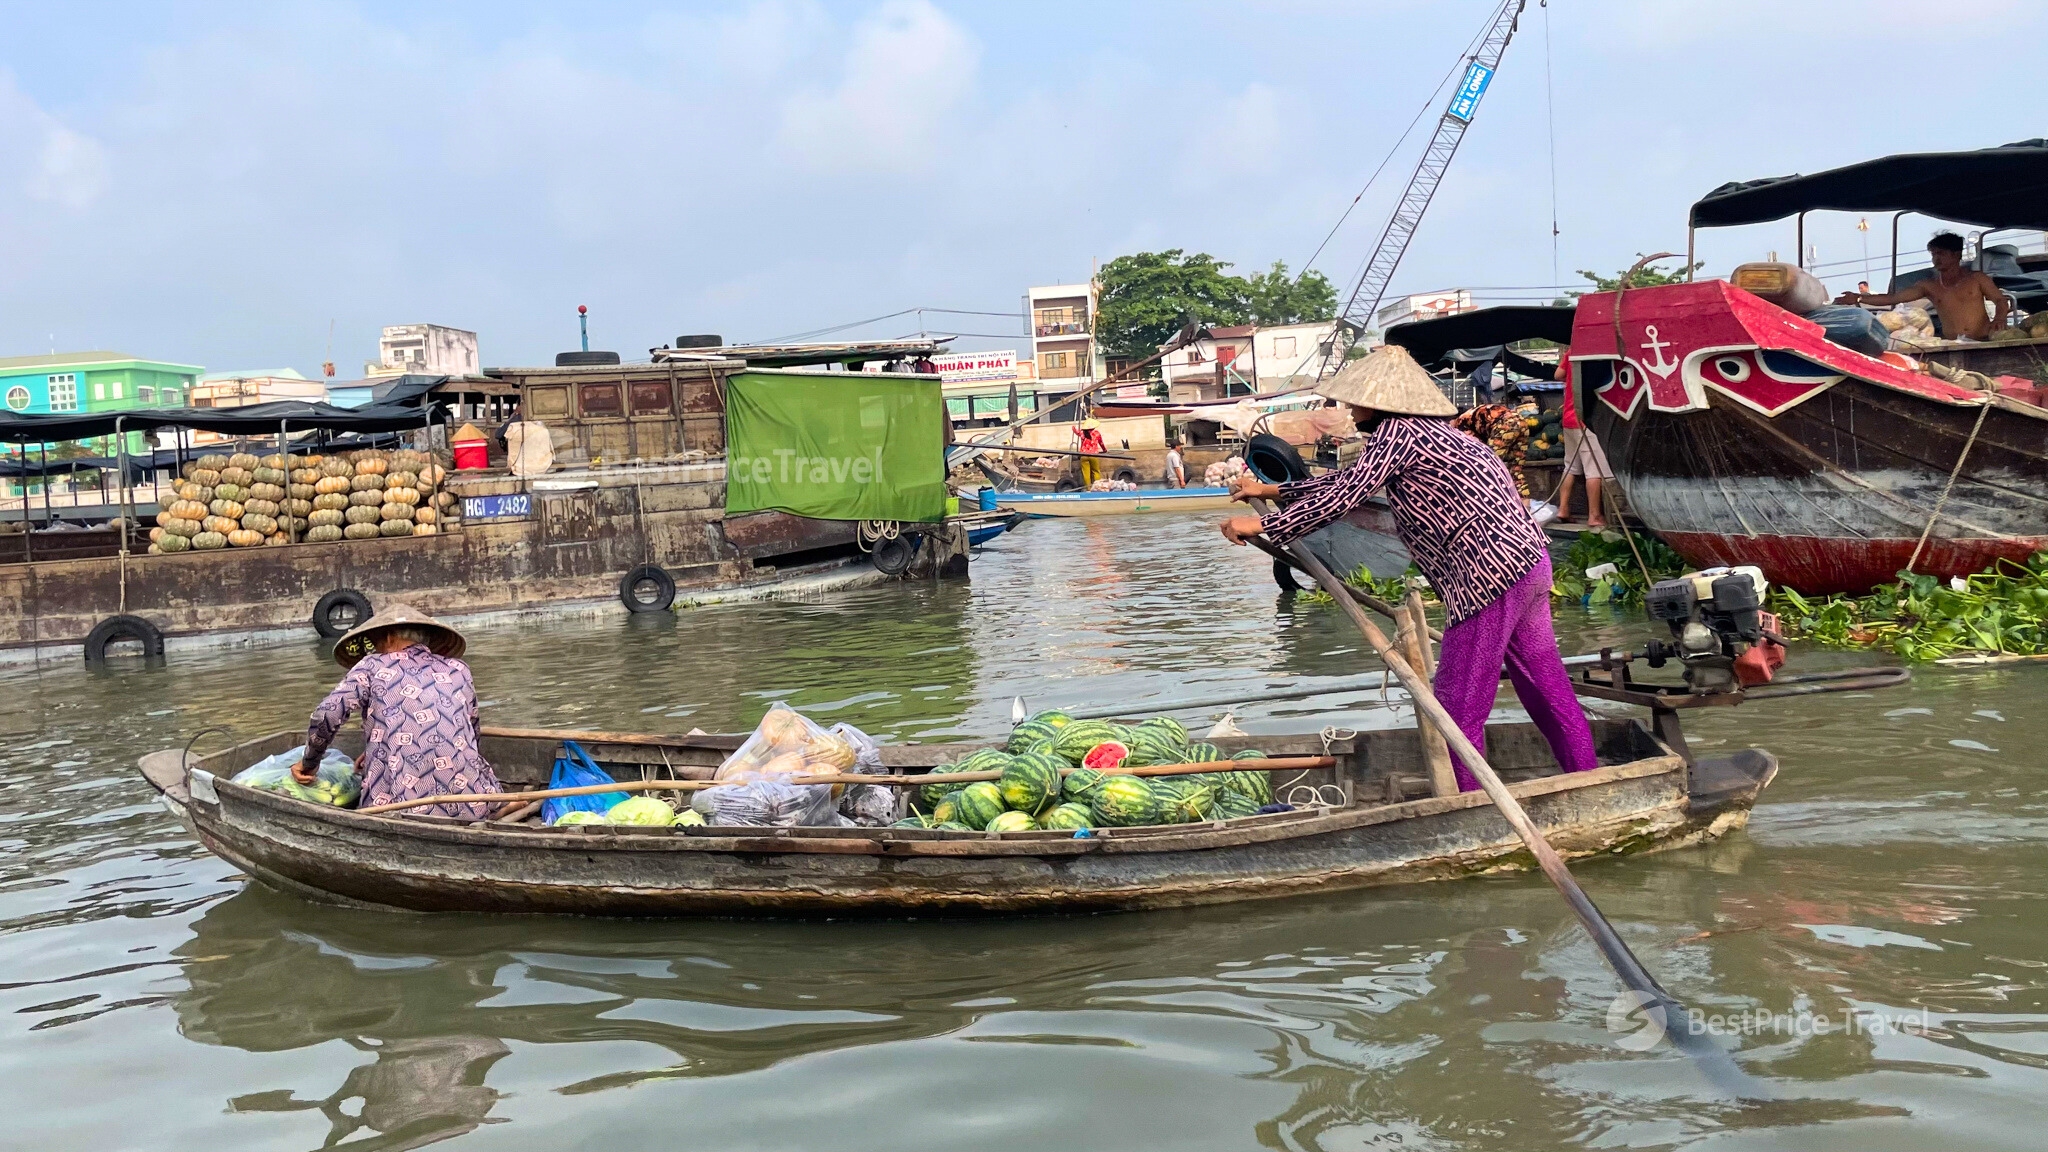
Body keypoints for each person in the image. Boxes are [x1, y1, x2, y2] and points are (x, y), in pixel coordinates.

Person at [1218, 345, 1597, 791]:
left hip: (1488, 578)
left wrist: (1265, 523)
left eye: (1355, 401)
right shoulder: (1438, 433)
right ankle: (1588, 777)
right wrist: (1277, 489)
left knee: (1454, 706)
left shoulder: (1395, 434)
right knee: (1544, 684)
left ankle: (1470, 801)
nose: (1349, 409)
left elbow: (1346, 498)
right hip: (1528, 566)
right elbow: (1347, 482)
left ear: (1377, 404)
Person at [295, 604, 502, 819]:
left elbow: (327, 714)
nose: (376, 650)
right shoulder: (458, 669)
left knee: (381, 797)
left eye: (377, 643)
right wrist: (381, 747)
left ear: (390, 638)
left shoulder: (373, 665)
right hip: (471, 804)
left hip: (404, 807)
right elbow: (471, 732)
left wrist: (309, 763)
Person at [1836, 232, 2008, 341]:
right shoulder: (1929, 286)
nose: (1936, 259)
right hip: (1954, 344)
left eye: (1941, 253)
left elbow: (2000, 300)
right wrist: (1858, 298)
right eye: (1933, 254)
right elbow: (1893, 298)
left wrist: (1999, 319)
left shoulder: (1977, 278)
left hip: (1985, 340)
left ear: (1956, 254)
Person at [1553, 360, 1610, 528]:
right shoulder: (1594, 354)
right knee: (1594, 469)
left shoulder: (1571, 353)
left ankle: (1563, 509)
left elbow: (1558, 375)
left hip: (1569, 417)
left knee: (1570, 466)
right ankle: (1595, 515)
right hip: (1586, 420)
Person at [1075, 418, 1106, 487]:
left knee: (1086, 473)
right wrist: (1104, 450)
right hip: (1093, 455)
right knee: (1096, 471)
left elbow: (1076, 431)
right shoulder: (1096, 433)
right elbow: (1101, 443)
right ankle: (1097, 487)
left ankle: (1088, 489)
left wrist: (1073, 427)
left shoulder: (1082, 433)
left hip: (1083, 455)